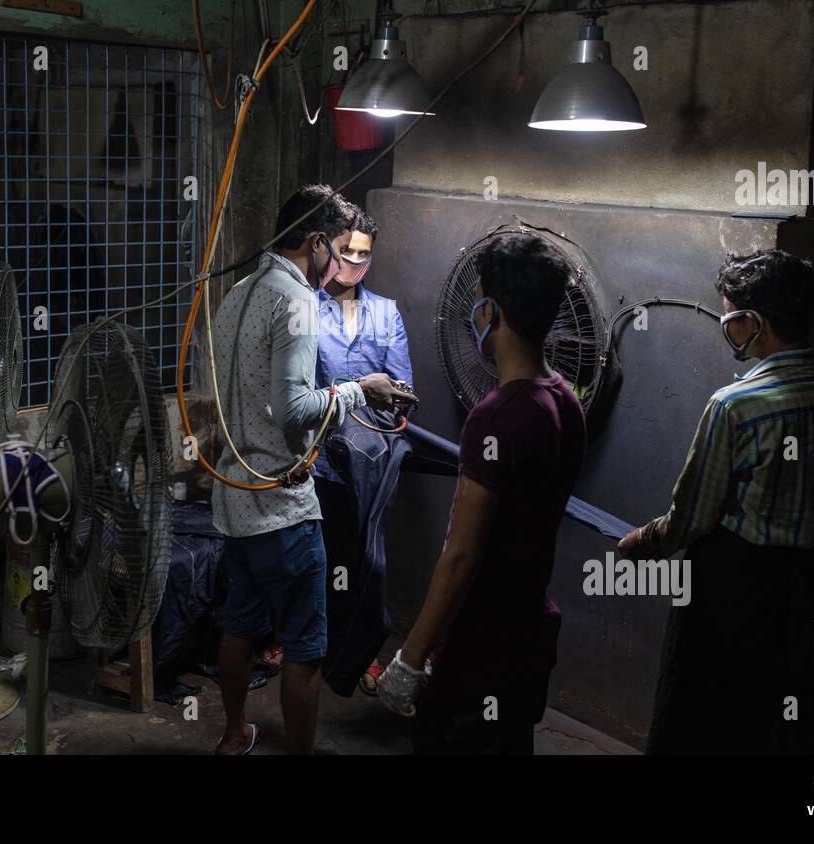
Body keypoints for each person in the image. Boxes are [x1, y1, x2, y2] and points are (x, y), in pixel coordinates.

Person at [617, 250, 814, 754]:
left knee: (701, 717)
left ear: (753, 323)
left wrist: (646, 540)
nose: (728, 331)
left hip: (732, 589)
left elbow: (692, 518)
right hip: (797, 584)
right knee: (776, 719)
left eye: (730, 320)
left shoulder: (734, 406)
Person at [208, 184, 415, 755]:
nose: (341, 265)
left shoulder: (239, 293)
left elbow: (239, 402)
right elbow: (294, 409)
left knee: (240, 627)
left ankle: (233, 735)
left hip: (234, 499)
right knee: (306, 648)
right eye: (338, 250)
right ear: (317, 242)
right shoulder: (296, 300)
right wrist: (360, 389)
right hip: (281, 508)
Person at [377, 233, 587, 754]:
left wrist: (410, 657)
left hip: (480, 642)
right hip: (528, 632)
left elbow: (462, 555)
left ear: (490, 310)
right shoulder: (566, 400)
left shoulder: (496, 416)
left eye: (477, 299)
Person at [313, 211, 414, 696]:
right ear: (329, 251)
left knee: (367, 562)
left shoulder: (386, 313)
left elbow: (401, 389)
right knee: (327, 557)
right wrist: (357, 391)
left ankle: (358, 656)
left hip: (374, 459)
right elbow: (302, 394)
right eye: (345, 252)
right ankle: (314, 651)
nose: (353, 262)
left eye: (363, 254)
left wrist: (384, 400)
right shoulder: (305, 310)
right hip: (321, 462)